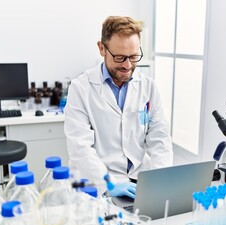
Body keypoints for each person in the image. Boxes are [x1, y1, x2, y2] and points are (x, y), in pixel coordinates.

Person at [64, 16, 173, 198]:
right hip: (97, 184)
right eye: (120, 57)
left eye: (133, 56)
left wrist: (160, 178)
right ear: (101, 48)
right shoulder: (80, 88)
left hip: (138, 180)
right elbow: (80, 147)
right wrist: (108, 184)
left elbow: (159, 138)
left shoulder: (148, 87)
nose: (128, 65)